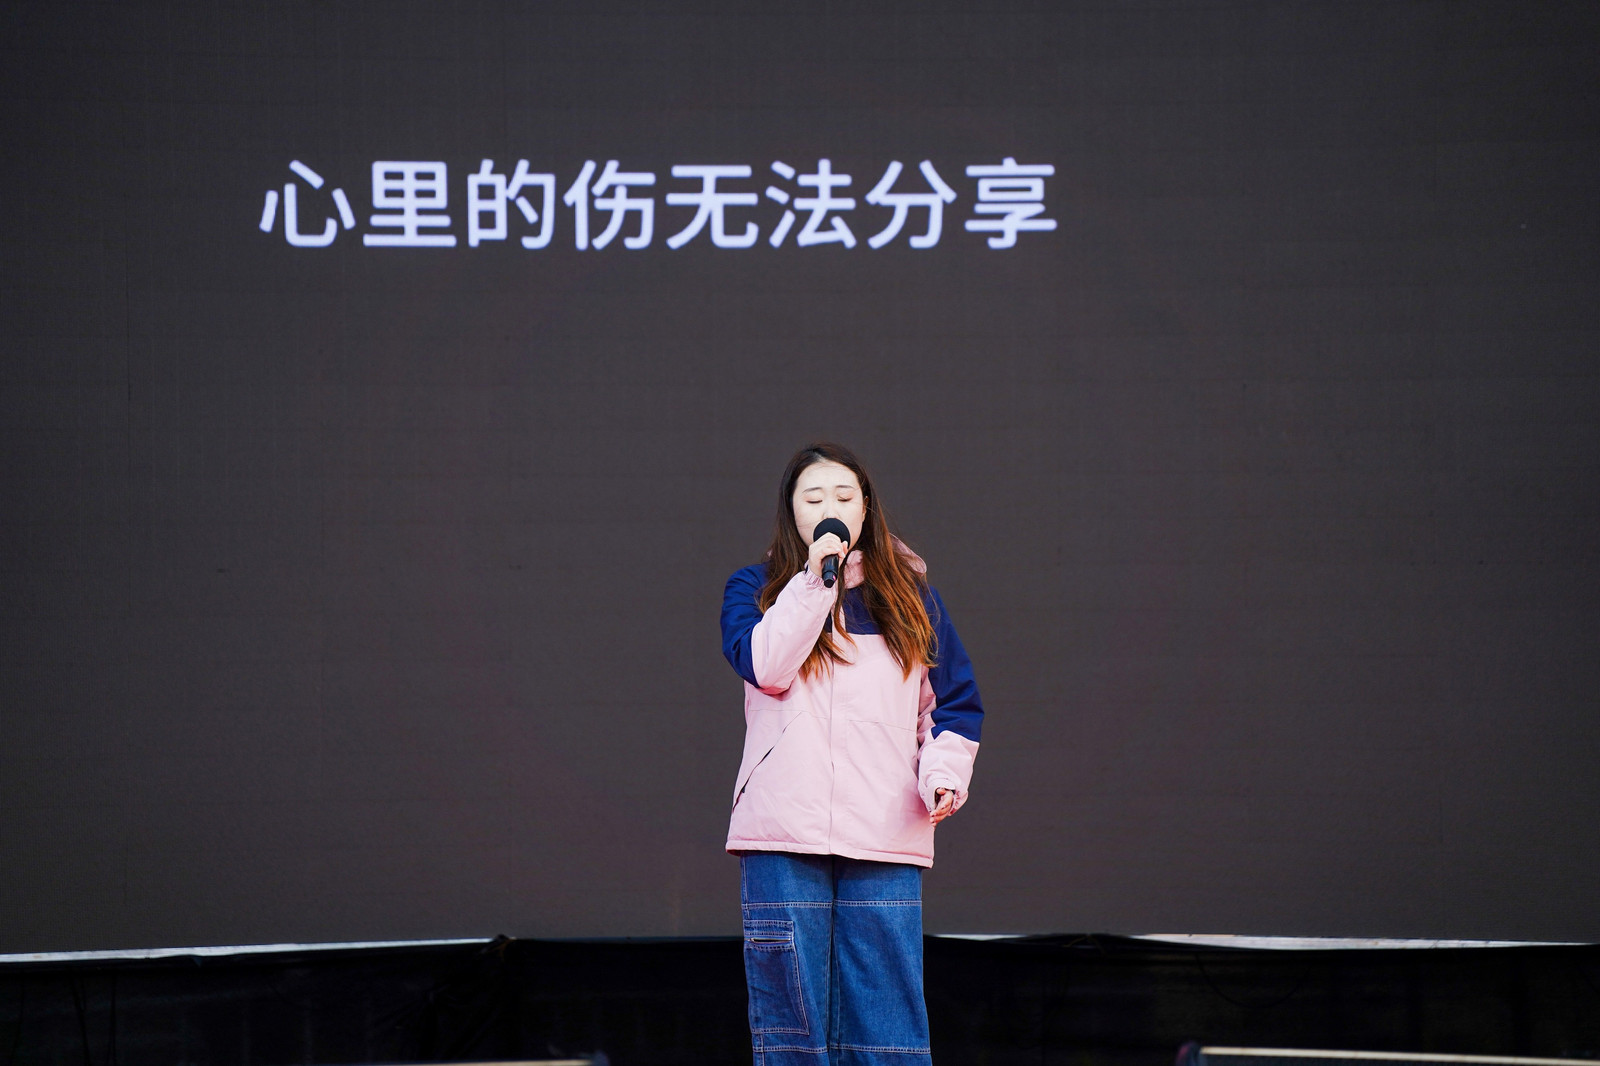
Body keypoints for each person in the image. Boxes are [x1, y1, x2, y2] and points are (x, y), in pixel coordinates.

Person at [720, 442, 985, 1066]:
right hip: (783, 833)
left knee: (886, 1023)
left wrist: (941, 775)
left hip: (884, 829)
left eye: (844, 496)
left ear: (866, 509)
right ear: (792, 512)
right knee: (793, 1020)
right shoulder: (755, 589)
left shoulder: (912, 599)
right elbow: (766, 666)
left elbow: (953, 705)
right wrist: (814, 584)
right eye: (813, 498)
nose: (830, 508)